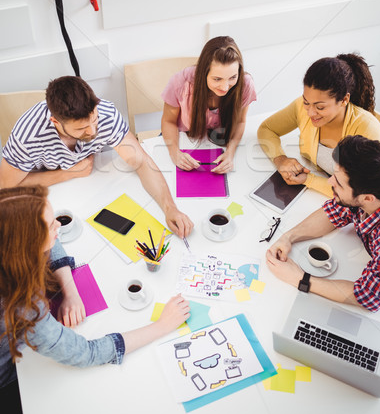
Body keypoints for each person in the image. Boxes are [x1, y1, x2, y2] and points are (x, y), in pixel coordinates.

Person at [0, 185, 190, 389]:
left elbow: (50, 242)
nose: (58, 226)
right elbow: (86, 353)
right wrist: (162, 325)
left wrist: (70, 292)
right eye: (49, 225)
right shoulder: (26, 309)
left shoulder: (9, 241)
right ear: (25, 244)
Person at [0, 76, 193, 238]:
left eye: (94, 119)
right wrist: (68, 173)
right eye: (82, 128)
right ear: (56, 122)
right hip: (44, 193)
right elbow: (7, 186)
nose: (93, 131)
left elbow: (141, 162)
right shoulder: (28, 135)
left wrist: (170, 209)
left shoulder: (106, 114)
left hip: (89, 189)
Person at [266, 135, 380, 312]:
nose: (330, 182)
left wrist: (300, 278)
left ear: (368, 198)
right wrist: (288, 238)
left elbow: (369, 295)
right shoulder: (371, 191)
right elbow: (333, 212)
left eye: (338, 183)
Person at [257, 53, 380, 197]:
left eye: (320, 107)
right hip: (316, 194)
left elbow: (359, 193)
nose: (310, 113)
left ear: (344, 100)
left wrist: (309, 180)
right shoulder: (301, 107)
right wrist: (280, 159)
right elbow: (267, 129)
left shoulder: (367, 129)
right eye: (307, 102)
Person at [161, 36, 257, 173]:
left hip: (218, 141)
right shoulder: (181, 82)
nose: (225, 87)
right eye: (217, 79)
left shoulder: (245, 84)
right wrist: (175, 153)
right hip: (182, 138)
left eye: (232, 77)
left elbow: (240, 121)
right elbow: (168, 121)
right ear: (203, 73)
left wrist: (230, 152)